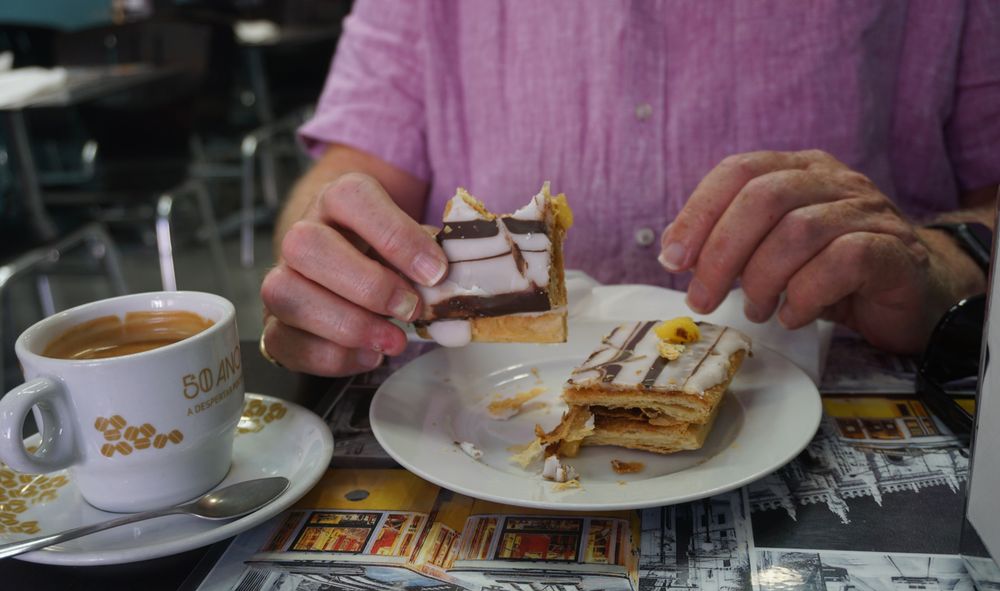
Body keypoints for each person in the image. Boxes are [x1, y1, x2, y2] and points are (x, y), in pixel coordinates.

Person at [259, 1, 1000, 376]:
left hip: (850, 426)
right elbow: (351, 178)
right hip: (473, 436)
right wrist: (339, 264)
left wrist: (943, 262)